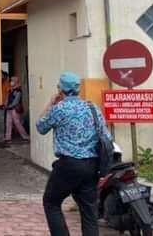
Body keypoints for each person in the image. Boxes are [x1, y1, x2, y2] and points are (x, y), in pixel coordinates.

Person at [36, 71, 110, 236]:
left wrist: (51, 104)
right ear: (78, 89)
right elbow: (106, 136)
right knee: (89, 210)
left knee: (51, 202)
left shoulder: (59, 109)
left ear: (60, 90)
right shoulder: (92, 108)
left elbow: (40, 127)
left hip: (68, 165)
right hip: (92, 165)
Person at [4, 76, 30, 143]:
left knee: (17, 123)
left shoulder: (18, 90)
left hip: (14, 109)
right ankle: (8, 137)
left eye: (12, 81)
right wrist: (6, 105)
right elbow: (8, 99)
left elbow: (16, 101)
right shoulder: (11, 90)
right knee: (8, 123)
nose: (11, 82)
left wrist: (9, 106)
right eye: (11, 81)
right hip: (9, 109)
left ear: (16, 82)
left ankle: (25, 136)